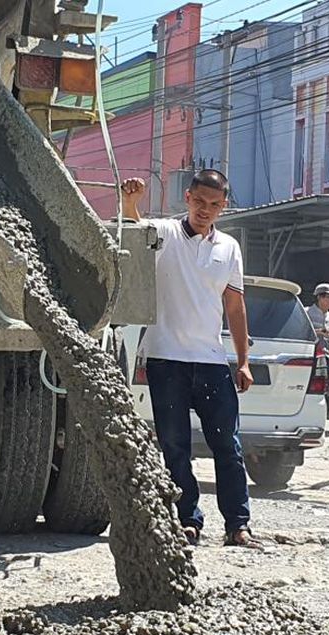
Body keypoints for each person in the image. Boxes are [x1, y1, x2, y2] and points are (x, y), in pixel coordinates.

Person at [121, 169, 262, 550]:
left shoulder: (229, 248)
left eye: (214, 205)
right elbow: (136, 231)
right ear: (188, 198)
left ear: (224, 207)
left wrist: (243, 360)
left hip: (212, 362)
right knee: (175, 445)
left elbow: (235, 306)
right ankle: (188, 522)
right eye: (200, 202)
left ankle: (239, 526)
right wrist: (130, 202)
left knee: (228, 448)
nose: (205, 210)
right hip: (166, 359)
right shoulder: (166, 233)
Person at [306, 283, 329, 347]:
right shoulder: (306, 312)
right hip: (309, 352)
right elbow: (299, 334)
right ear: (319, 297)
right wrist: (319, 331)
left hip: (325, 354)